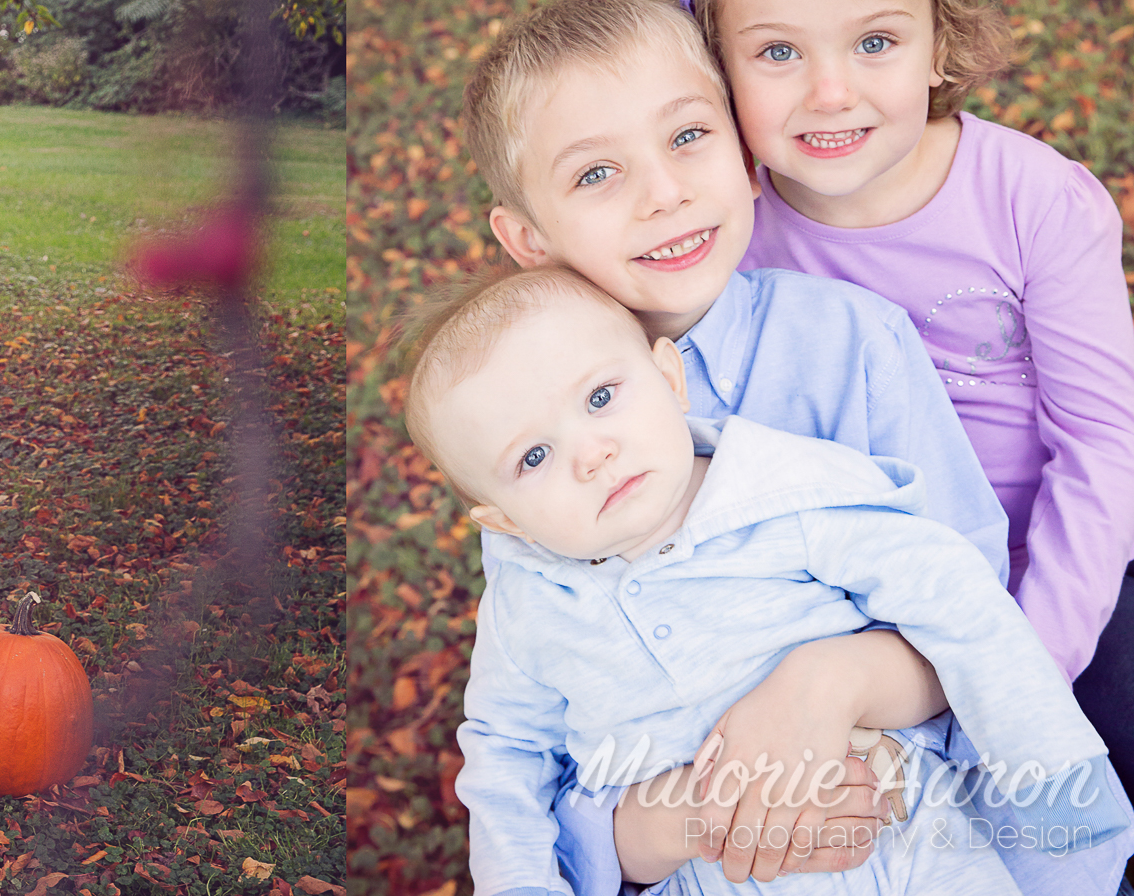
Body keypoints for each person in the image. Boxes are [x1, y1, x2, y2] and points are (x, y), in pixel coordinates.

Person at [458, 0, 1133, 890]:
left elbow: (971, 603)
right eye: (595, 174)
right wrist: (645, 831)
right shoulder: (535, 427)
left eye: (688, 137)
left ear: (745, 157)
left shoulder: (854, 341)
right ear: (528, 238)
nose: (665, 194)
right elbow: (529, 718)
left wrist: (844, 681)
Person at [669, 0, 1134, 815]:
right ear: (715, 67)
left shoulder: (1034, 202)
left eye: (874, 41)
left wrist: (1022, 669)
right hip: (848, 594)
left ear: (938, 46)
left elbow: (1101, 450)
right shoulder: (725, 232)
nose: (829, 91)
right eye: (778, 52)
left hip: (1050, 569)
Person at [407, 263, 1117, 896]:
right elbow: (506, 757)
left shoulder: (787, 492)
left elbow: (956, 597)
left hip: (899, 838)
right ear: (504, 523)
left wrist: (1052, 783)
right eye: (534, 456)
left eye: (600, 399)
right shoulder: (528, 608)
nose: (591, 454)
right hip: (705, 874)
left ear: (669, 379)